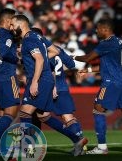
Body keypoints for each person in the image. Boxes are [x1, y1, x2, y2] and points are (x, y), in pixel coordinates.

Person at [9, 14, 87, 156]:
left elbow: (39, 59)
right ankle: (76, 139)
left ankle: (25, 148)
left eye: (13, 25)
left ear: (22, 24)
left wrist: (34, 82)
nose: (11, 28)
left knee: (25, 113)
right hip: (47, 80)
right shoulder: (37, 37)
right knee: (43, 115)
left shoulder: (28, 40)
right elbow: (55, 51)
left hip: (40, 80)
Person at [74, 19, 122, 154]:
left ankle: (102, 147)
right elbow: (108, 65)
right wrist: (87, 71)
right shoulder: (118, 41)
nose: (96, 31)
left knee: (98, 110)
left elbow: (87, 58)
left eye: (98, 29)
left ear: (105, 29)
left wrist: (71, 57)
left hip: (112, 82)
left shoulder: (106, 43)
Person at [0, 8, 19, 157]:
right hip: (6, 76)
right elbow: (4, 53)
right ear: (7, 21)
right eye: (13, 21)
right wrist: (17, 58)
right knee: (11, 112)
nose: (14, 24)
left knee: (1, 113)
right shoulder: (7, 35)